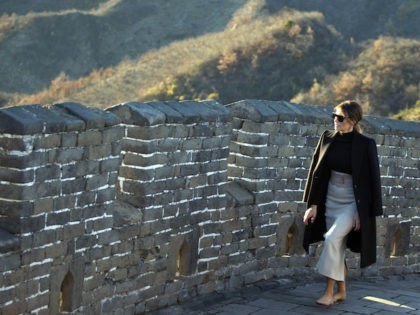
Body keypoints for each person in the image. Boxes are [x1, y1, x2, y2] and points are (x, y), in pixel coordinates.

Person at [302, 100, 383, 306]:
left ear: (353, 121)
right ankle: (342, 291)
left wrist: (362, 213)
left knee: (331, 239)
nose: (335, 121)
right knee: (336, 246)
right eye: (334, 116)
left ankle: (328, 292)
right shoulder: (327, 137)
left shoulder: (366, 144)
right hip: (330, 200)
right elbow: (316, 172)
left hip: (352, 204)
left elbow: (373, 180)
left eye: (340, 118)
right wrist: (312, 204)